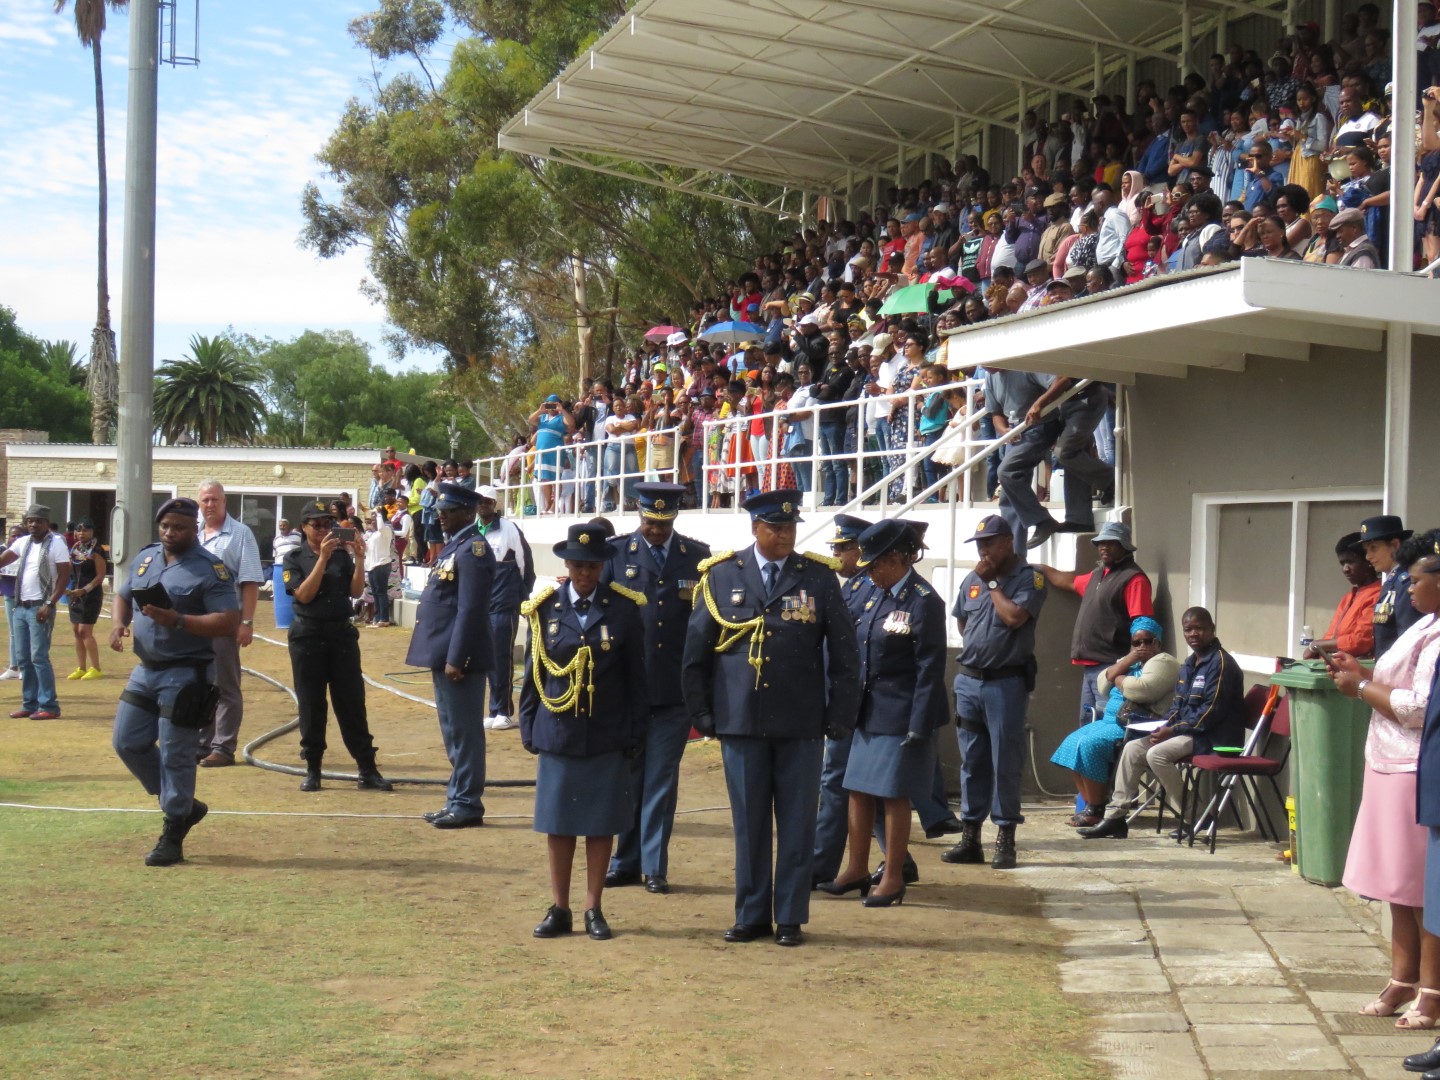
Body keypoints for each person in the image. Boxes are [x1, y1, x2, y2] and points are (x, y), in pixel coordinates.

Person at [682, 490, 860, 947]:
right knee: (749, 822)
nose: (785, 535)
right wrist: (702, 711)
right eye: (776, 528)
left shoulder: (818, 578)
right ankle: (751, 912)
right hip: (740, 719)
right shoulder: (722, 576)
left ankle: (790, 916)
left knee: (798, 821)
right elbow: (696, 650)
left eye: (790, 528)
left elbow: (844, 654)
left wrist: (841, 712)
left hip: (801, 721)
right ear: (755, 529)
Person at [1330, 531, 1440, 1028]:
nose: (1407, 590)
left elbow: (1418, 707)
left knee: (1423, 890)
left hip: (1415, 765)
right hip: (1386, 759)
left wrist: (1360, 689)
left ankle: (1432, 991)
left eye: (1416, 580)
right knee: (1397, 885)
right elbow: (1397, 681)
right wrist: (1364, 673)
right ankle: (1404, 977)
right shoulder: (1425, 625)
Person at [520, 525, 649, 941]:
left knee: (600, 823)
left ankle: (594, 906)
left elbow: (636, 679)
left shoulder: (624, 610)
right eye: (577, 565)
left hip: (606, 730)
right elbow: (533, 673)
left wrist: (635, 730)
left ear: (602, 566)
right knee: (558, 824)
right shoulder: (543, 608)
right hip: (557, 730)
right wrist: (528, 725)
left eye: (592, 566)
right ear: (566, 564)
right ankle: (560, 907)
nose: (585, 574)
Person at [817, 520, 947, 907]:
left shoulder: (922, 600)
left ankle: (892, 875)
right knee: (856, 789)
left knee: (893, 796)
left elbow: (929, 668)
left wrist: (919, 724)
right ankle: (856, 868)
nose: (869, 571)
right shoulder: (874, 594)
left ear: (894, 559)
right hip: (866, 711)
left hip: (901, 713)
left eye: (875, 564)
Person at [109, 498, 239, 865]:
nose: (169, 533)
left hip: (186, 673)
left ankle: (173, 830)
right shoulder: (146, 557)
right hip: (146, 669)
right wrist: (118, 623)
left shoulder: (210, 569)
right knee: (127, 742)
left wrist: (178, 620)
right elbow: (123, 595)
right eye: (164, 526)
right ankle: (181, 803)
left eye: (178, 527)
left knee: (176, 752)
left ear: (194, 528)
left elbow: (228, 621)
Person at [601, 483, 710, 894]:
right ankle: (624, 860)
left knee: (661, 778)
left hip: (673, 690)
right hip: (628, 689)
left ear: (675, 518)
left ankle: (653, 865)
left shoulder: (698, 557)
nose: (657, 531)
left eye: (664, 524)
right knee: (628, 776)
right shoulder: (614, 554)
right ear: (638, 516)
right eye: (650, 523)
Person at [1082, 607, 1246, 840]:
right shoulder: (1190, 663)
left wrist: (1172, 730)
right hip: (1187, 733)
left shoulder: (1221, 664)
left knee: (1156, 754)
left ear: (1211, 629)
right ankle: (1115, 818)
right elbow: (1177, 705)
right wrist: (1164, 726)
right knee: (1133, 748)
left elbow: (1210, 712)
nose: (1193, 634)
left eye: (1199, 628)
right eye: (1188, 629)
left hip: (1214, 736)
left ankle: (1196, 815)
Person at [944, 515, 1047, 870]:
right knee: (972, 762)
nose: (983, 550)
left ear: (1007, 542)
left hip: (1005, 683)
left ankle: (1005, 838)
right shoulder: (972, 578)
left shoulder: (1028, 578)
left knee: (1005, 761)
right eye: (979, 544)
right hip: (969, 680)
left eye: (989, 543)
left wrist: (992, 586)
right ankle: (970, 838)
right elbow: (962, 619)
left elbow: (1015, 617)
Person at [281, 502, 393, 794]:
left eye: (327, 524)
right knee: (311, 703)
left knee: (352, 702)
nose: (322, 530)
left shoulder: (341, 556)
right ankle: (313, 768)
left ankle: (367, 769)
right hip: (308, 637)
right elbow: (303, 595)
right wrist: (321, 559)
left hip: (340, 635)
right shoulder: (294, 558)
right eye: (316, 525)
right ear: (303, 527)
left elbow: (355, 592)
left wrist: (358, 559)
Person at [405, 483, 496, 829]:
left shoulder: (473, 549)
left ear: (469, 512)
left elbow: (471, 609)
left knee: (465, 732)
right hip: (444, 654)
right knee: (452, 731)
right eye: (441, 510)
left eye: (450, 510)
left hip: (460, 657)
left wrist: (457, 657)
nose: (441, 515)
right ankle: (456, 797)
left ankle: (468, 803)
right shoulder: (454, 547)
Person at [1036, 521, 1155, 754]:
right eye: (1101, 543)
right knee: (1087, 728)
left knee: (1105, 733)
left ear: (1125, 547)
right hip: (1090, 669)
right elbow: (1068, 581)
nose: (1105, 548)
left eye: (1112, 543)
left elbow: (1143, 626)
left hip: (1112, 668)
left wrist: (1127, 664)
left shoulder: (1134, 579)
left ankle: (1109, 790)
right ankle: (1090, 791)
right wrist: (1040, 567)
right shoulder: (1098, 575)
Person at [1050, 617, 1179, 827]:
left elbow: (1141, 690)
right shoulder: (1130, 662)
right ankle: (1092, 805)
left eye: (1148, 641)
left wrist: (1116, 677)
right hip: (1110, 720)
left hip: (1135, 726)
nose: (1142, 647)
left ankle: (1098, 809)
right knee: (1071, 744)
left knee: (1090, 746)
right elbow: (1102, 684)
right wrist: (1126, 662)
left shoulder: (1164, 662)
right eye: (1137, 643)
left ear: (1158, 643)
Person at [195, 480, 263, 768]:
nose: (209, 505)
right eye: (205, 500)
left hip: (224, 621)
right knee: (198, 684)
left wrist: (246, 622)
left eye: (214, 500)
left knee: (225, 684)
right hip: (192, 623)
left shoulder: (240, 534)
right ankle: (201, 743)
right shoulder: (193, 534)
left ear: (224, 502)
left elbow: (249, 581)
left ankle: (223, 746)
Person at [0, 504, 71, 719]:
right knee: (23, 659)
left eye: (38, 521)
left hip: (41, 605)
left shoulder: (56, 543)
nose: (33, 524)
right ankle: (29, 704)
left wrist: (49, 604)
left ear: (46, 523)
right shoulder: (23, 542)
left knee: (39, 656)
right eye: (30, 520)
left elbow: (64, 576)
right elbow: (3, 561)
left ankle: (49, 706)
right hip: (21, 606)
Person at [475, 484, 534, 732]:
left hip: (504, 604)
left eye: (487, 501)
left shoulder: (509, 529)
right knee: (487, 659)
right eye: (479, 501)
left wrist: (521, 596)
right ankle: (493, 709)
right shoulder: (472, 530)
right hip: (481, 605)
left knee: (502, 658)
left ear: (494, 504)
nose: (483, 505)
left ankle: (504, 711)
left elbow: (525, 565)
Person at [1304, 532, 1382, 660]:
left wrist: (1316, 645)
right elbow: (1331, 635)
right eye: (1342, 563)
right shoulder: (1349, 597)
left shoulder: (1378, 594)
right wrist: (1318, 651)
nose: (1345, 569)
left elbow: (1360, 642)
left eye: (1350, 562)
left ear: (1368, 561)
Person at [1363, 515, 1422, 657]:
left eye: (1373, 548)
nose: (1368, 556)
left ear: (1395, 545)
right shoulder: (1391, 582)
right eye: (1366, 550)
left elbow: (1408, 640)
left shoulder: (1406, 583)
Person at [64, 517, 107, 681]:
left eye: (85, 530)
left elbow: (100, 576)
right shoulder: (75, 548)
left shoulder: (97, 550)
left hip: (91, 594)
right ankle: (81, 667)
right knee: (76, 631)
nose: (81, 533)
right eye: (79, 530)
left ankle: (96, 667)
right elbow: (69, 568)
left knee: (84, 631)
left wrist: (85, 590)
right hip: (74, 594)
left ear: (92, 532)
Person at [362, 510, 396, 628]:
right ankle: (377, 618)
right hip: (372, 566)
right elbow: (368, 550)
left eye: (374, 520)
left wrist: (378, 513)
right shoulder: (374, 535)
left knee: (381, 593)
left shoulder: (385, 530)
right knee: (375, 593)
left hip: (381, 565)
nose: (372, 522)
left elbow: (381, 526)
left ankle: (384, 618)